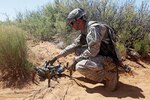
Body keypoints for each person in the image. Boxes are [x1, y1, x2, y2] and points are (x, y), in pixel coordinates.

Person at [49, 8, 121, 91]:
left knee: (80, 66)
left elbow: (93, 51)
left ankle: (110, 75)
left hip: (109, 58)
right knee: (77, 50)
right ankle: (98, 71)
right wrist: (57, 57)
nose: (71, 26)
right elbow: (74, 45)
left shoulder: (93, 28)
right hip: (101, 54)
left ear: (78, 21)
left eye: (72, 23)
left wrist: (76, 60)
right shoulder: (85, 30)